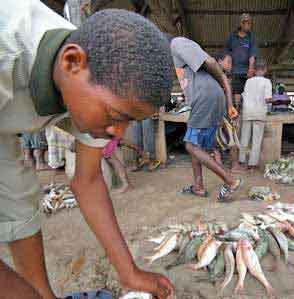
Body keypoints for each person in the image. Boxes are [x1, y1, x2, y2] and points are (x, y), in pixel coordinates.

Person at [0, 2, 174, 299]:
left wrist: (129, 273)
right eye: (117, 117)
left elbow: (88, 180)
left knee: (19, 198)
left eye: (129, 121)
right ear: (71, 62)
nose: (118, 133)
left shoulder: (95, 70)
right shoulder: (7, 47)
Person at [170, 37, 243, 201]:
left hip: (205, 98)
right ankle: (198, 186)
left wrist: (225, 85)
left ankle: (229, 181)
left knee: (191, 146)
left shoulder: (177, 43)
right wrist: (228, 102)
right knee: (198, 146)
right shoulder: (178, 55)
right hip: (212, 98)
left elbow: (210, 62)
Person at [225, 13, 259, 172]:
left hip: (246, 71)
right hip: (235, 71)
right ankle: (236, 109)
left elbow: (252, 55)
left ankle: (246, 109)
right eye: (245, 22)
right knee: (236, 91)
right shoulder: (232, 37)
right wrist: (229, 65)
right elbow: (228, 53)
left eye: (250, 23)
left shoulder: (251, 37)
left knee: (249, 92)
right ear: (240, 24)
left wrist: (251, 68)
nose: (248, 25)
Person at [239, 60, 272, 170]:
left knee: (244, 138)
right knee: (256, 140)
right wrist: (274, 100)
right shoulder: (267, 82)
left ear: (254, 70)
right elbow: (268, 99)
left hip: (247, 112)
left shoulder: (248, 81)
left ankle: (241, 161)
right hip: (259, 113)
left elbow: (243, 96)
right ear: (265, 70)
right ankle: (252, 164)